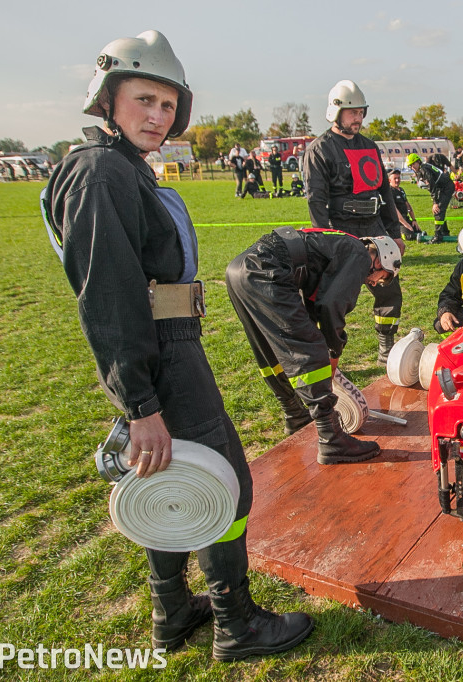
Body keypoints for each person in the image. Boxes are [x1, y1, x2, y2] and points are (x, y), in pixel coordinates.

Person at [42, 29, 312, 661]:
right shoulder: (101, 171)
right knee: (226, 483)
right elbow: (106, 295)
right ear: (108, 100)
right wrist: (140, 405)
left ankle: (172, 614)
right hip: (160, 354)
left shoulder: (119, 168)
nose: (157, 116)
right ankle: (235, 621)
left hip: (166, 346)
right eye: (143, 99)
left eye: (167, 105)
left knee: (166, 478)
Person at [226, 228, 400, 458]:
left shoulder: (339, 247)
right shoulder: (359, 254)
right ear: (382, 259)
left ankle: (295, 416)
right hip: (267, 271)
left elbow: (314, 305)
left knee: (270, 352)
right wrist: (333, 351)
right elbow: (331, 306)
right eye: (383, 277)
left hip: (239, 269)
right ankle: (332, 438)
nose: (375, 283)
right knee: (312, 351)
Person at [303, 79, 404, 364]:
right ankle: (328, 354)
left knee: (389, 289)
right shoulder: (320, 149)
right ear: (336, 113)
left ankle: (386, 345)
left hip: (374, 228)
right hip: (340, 231)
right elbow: (316, 201)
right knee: (335, 297)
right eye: (352, 112)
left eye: (361, 112)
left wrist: (394, 234)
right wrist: (328, 242)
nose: (358, 118)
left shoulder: (370, 147)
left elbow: (385, 191)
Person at [407, 152, 455, 244]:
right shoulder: (424, 167)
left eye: (413, 164)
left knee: (438, 210)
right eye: (410, 166)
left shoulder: (424, 170)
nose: (412, 167)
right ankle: (445, 232)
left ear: (418, 162)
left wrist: (435, 203)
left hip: (446, 187)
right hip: (443, 187)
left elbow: (432, 187)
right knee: (440, 210)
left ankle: (438, 236)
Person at [386, 168, 422, 241]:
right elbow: (394, 210)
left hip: (405, 218)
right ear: (389, 180)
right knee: (409, 236)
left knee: (419, 232)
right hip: (396, 221)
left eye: (398, 178)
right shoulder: (390, 192)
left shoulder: (401, 190)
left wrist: (414, 220)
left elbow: (407, 205)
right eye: (395, 178)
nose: (397, 180)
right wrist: (406, 224)